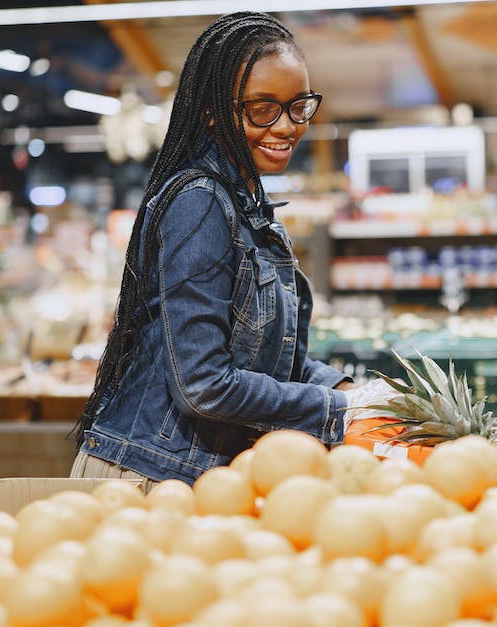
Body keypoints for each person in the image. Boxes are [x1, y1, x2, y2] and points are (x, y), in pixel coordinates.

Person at [71, 11, 394, 488]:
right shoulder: (199, 203)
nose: (287, 126)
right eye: (263, 108)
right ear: (212, 110)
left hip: (192, 478)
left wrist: (351, 389)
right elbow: (204, 386)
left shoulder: (247, 204)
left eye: (298, 105)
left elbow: (264, 361)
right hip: (142, 478)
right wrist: (340, 410)